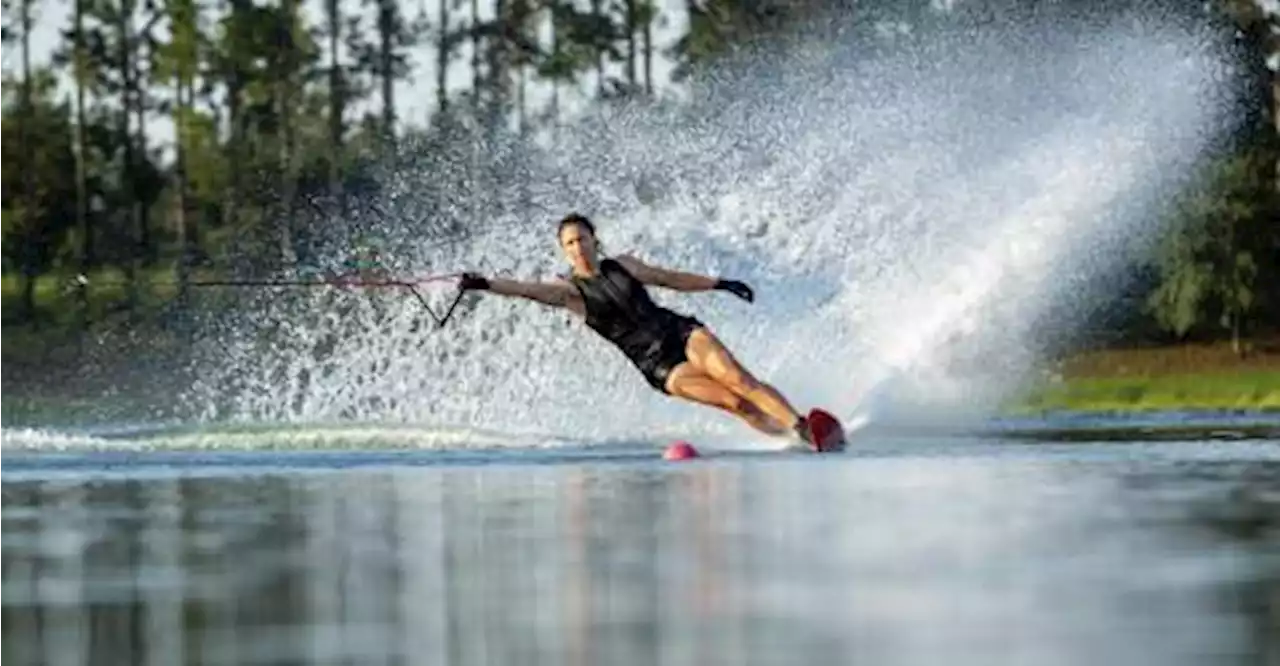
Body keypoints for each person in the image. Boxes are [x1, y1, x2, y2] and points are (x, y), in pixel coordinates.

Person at [457, 213, 823, 449]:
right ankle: (790, 439)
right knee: (735, 403)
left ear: (594, 240)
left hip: (679, 333)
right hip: (658, 365)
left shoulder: (624, 265)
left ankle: (801, 425)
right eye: (569, 243)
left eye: (582, 238)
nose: (577, 246)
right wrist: (485, 283)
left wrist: (720, 283)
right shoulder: (569, 293)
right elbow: (523, 289)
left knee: (738, 380)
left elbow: (669, 279)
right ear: (564, 251)